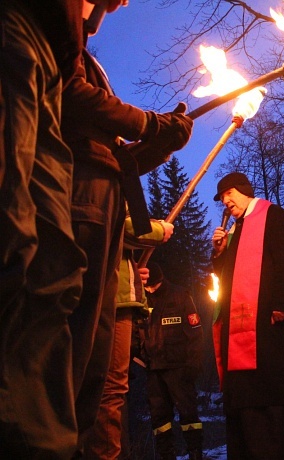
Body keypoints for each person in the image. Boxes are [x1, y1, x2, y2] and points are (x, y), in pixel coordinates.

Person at [62, 1, 193, 445]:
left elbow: (115, 161)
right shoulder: (62, 51)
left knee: (104, 382)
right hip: (77, 212)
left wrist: (162, 141)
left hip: (99, 214)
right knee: (79, 374)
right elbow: (72, 99)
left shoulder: (87, 58)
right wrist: (148, 124)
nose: (123, 3)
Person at [0, 1, 86, 457]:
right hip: (19, 29)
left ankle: (43, 442)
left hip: (49, 48)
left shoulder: (69, 44)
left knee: (54, 276)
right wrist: (147, 124)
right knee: (12, 237)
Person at [211, 172, 284, 459]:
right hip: (244, 330)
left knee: (279, 387)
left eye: (229, 193)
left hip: (274, 323)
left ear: (243, 190)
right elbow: (227, 279)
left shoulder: (273, 216)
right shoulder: (235, 231)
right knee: (250, 394)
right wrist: (219, 254)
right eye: (222, 198)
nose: (226, 201)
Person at [83, 215, 173, 459]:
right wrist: (158, 230)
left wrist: (132, 273)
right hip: (112, 301)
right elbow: (116, 223)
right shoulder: (107, 179)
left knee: (108, 390)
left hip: (112, 295)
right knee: (110, 388)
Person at [143, 262, 204, 460]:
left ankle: (195, 453)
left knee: (188, 414)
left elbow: (196, 332)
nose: (149, 290)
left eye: (151, 286)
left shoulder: (180, 295)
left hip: (180, 368)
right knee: (159, 419)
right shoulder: (142, 299)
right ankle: (166, 455)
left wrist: (193, 363)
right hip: (153, 369)